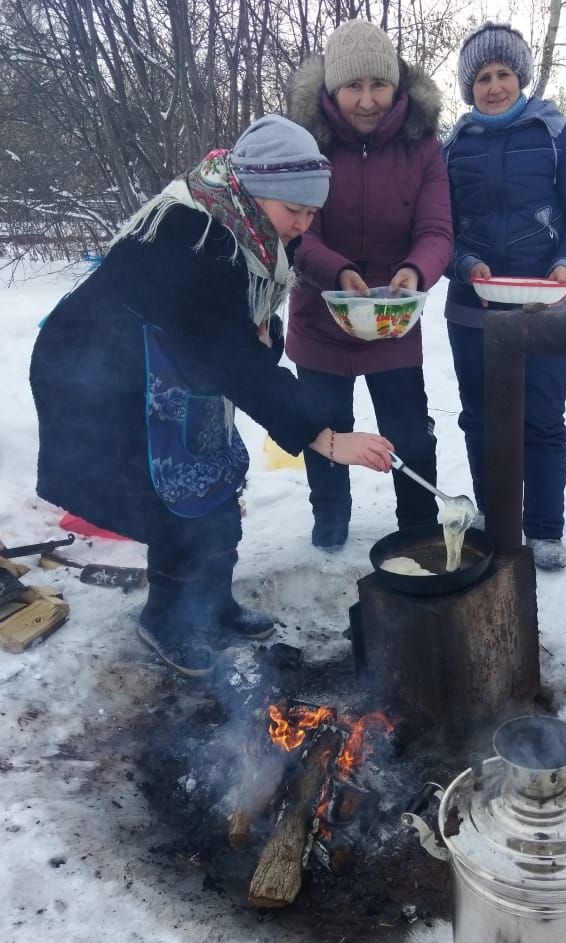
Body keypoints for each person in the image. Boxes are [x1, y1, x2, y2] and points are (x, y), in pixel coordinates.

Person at [30, 114, 393, 678]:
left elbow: (236, 336)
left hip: (170, 369)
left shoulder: (247, 225)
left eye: (311, 213)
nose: (302, 225)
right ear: (255, 188)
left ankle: (214, 605)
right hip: (100, 376)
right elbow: (230, 355)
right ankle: (167, 623)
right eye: (293, 210)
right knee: (173, 502)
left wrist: (260, 339)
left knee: (215, 480)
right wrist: (325, 437)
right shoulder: (193, 232)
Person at [284, 19, 453, 550]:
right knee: (326, 429)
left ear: (397, 87)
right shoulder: (303, 143)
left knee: (408, 431)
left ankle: (420, 525)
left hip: (392, 314)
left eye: (378, 85)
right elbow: (290, 230)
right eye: (353, 86)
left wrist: (417, 272)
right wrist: (335, 270)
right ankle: (329, 523)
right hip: (320, 313)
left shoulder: (421, 146)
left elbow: (436, 229)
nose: (366, 100)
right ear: (333, 88)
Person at [444, 22, 566, 570]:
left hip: (543, 306)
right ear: (470, 88)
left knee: (541, 416)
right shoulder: (454, 145)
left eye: (503, 74)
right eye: (483, 77)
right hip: (473, 308)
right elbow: (438, 230)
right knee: (479, 415)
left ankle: (543, 526)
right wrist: (464, 264)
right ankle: (494, 511)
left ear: (521, 77)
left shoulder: (554, 131)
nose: (494, 87)